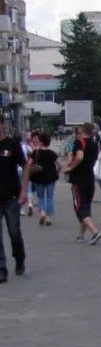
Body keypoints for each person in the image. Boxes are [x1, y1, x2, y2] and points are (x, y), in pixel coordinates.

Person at [63, 122, 101, 245]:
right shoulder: (94, 144)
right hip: (90, 179)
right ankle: (81, 235)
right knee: (86, 206)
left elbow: (79, 157)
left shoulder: (79, 142)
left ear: (82, 129)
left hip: (79, 180)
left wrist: (70, 167)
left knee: (80, 207)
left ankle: (95, 231)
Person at [0, 117, 29, 283]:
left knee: (14, 232)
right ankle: (2, 268)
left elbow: (25, 165)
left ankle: (19, 257)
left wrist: (24, 190)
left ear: (2, 125)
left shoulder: (12, 145)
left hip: (11, 196)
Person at [26, 132, 60, 226]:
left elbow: (28, 164)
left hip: (38, 177)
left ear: (40, 141)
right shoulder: (52, 153)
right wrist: (57, 172)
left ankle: (42, 214)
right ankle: (48, 218)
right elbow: (59, 164)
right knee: (50, 197)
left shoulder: (35, 153)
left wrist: (29, 172)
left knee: (40, 196)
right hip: (51, 177)